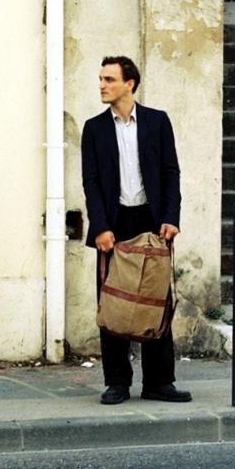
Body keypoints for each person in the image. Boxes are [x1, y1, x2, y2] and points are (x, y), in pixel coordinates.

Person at [81, 56, 191, 405]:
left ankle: (159, 381)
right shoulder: (94, 128)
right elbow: (91, 183)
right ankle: (117, 382)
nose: (102, 85)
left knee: (155, 302)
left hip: (151, 220)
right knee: (114, 305)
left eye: (109, 79)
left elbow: (171, 172)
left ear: (129, 84)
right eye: (100, 79)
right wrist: (99, 226)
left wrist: (171, 217)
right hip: (114, 225)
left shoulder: (157, 122)